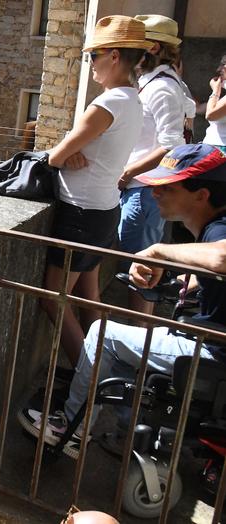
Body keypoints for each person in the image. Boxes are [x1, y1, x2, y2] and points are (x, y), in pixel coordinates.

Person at [20, 144, 226, 457]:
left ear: (202, 195)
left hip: (213, 352)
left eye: (168, 187)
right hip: (208, 341)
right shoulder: (214, 227)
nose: (155, 192)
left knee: (104, 335)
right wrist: (189, 280)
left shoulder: (220, 230)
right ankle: (130, 434)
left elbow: (223, 258)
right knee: (118, 360)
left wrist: (158, 253)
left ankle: (71, 431)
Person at [40, 16, 151, 366]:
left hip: (81, 213)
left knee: (51, 298)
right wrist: (71, 154)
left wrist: (66, 155)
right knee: (89, 298)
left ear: (114, 56)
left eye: (93, 56)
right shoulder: (133, 100)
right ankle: (110, 370)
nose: (90, 64)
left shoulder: (107, 104)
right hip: (104, 210)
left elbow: (55, 156)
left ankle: (88, 387)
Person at [117, 15, 189, 319]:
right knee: (141, 270)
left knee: (140, 275)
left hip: (143, 190)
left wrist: (128, 172)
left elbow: (170, 145)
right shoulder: (165, 83)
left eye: (136, 47)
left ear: (153, 47)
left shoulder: (161, 88)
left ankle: (138, 347)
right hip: (145, 190)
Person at [204, 55, 226, 153]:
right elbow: (197, 107)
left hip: (220, 151)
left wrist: (215, 91)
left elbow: (210, 114)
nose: (219, 69)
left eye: (223, 65)